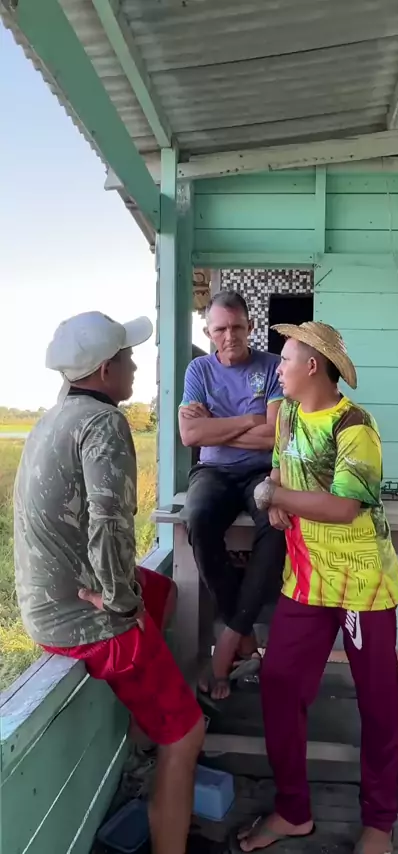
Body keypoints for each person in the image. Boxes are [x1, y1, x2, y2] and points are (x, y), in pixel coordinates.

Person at [14, 311, 205, 854]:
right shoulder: (103, 424)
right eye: (128, 358)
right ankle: (167, 758)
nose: (135, 366)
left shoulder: (54, 418)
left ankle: (145, 736)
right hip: (81, 616)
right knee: (189, 734)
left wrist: (128, 593)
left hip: (46, 604)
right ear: (104, 371)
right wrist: (121, 603)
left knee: (163, 592)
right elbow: (111, 523)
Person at [239, 322, 398, 854]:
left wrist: (270, 497)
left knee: (378, 703)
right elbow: (280, 473)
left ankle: (379, 822)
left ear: (312, 366)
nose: (278, 368)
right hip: (306, 579)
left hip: (362, 586)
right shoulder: (286, 415)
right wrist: (276, 494)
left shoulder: (356, 425)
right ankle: (293, 811)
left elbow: (344, 506)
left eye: (285, 359)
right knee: (280, 686)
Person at [178, 291, 286, 700]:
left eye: (237, 327)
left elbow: (275, 435)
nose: (229, 336)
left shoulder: (272, 366)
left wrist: (217, 426)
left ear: (250, 326)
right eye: (220, 329)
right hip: (214, 472)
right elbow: (190, 434)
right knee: (198, 519)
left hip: (262, 471)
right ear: (208, 332)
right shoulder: (199, 370)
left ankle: (231, 636)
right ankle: (243, 637)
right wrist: (250, 420)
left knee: (276, 524)